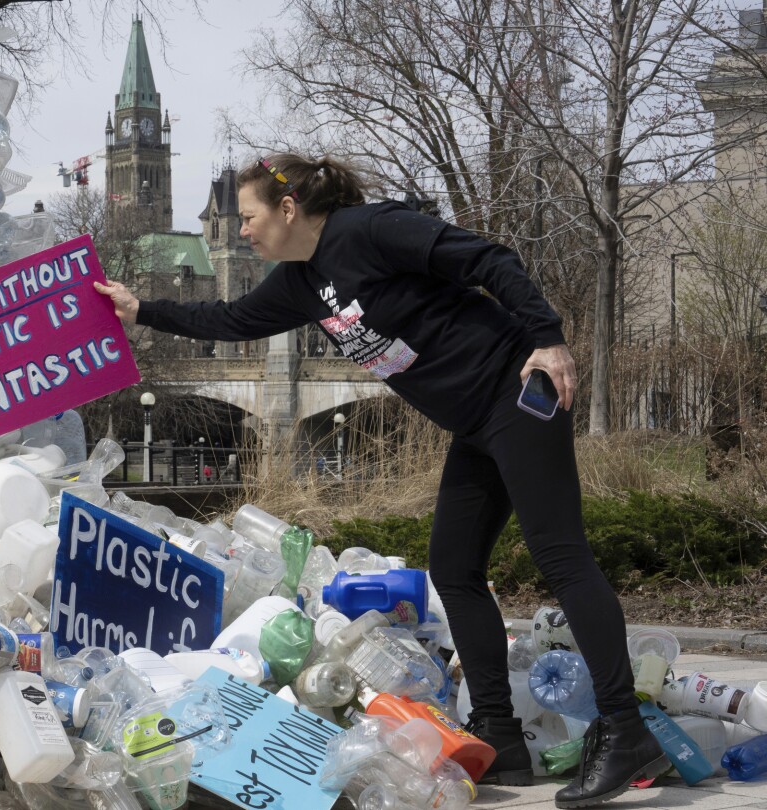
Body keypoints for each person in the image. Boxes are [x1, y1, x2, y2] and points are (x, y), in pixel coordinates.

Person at [94, 154, 666, 809]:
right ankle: (501, 736)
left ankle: (627, 729)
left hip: (514, 393)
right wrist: (139, 309)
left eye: (248, 217)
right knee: (452, 569)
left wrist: (548, 339)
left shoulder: (369, 231)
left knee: (561, 558)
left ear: (287, 208)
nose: (242, 231)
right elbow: (227, 320)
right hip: (474, 424)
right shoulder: (301, 283)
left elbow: (488, 259)